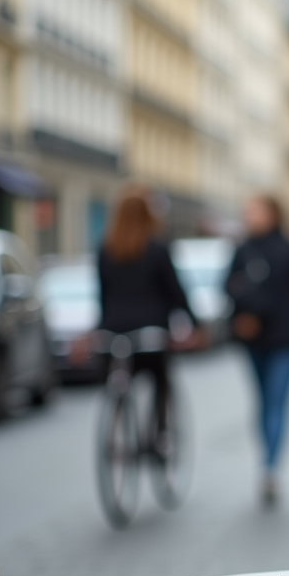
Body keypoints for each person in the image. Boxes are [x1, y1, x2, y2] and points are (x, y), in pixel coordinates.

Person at [224, 194, 289, 505]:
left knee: (276, 401)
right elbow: (228, 288)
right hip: (254, 339)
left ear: (273, 213)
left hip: (285, 340)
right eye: (248, 211)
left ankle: (269, 468)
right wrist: (241, 316)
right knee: (263, 402)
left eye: (257, 211)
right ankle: (268, 460)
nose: (251, 216)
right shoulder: (242, 250)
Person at [94, 184, 197, 433]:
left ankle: (118, 425)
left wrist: (100, 328)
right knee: (161, 381)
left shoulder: (105, 250)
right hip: (150, 332)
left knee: (118, 377)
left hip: (114, 331)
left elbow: (103, 295)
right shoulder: (158, 248)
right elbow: (175, 292)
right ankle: (159, 431)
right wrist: (194, 323)